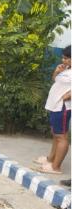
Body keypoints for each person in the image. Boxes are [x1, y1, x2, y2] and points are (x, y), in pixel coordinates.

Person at [35, 45, 71, 174]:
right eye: (63, 58)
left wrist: (70, 94)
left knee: (61, 137)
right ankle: (51, 159)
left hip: (63, 107)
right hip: (55, 105)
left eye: (67, 58)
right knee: (56, 134)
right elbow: (55, 80)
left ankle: (56, 167)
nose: (63, 60)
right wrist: (57, 72)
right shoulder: (67, 69)